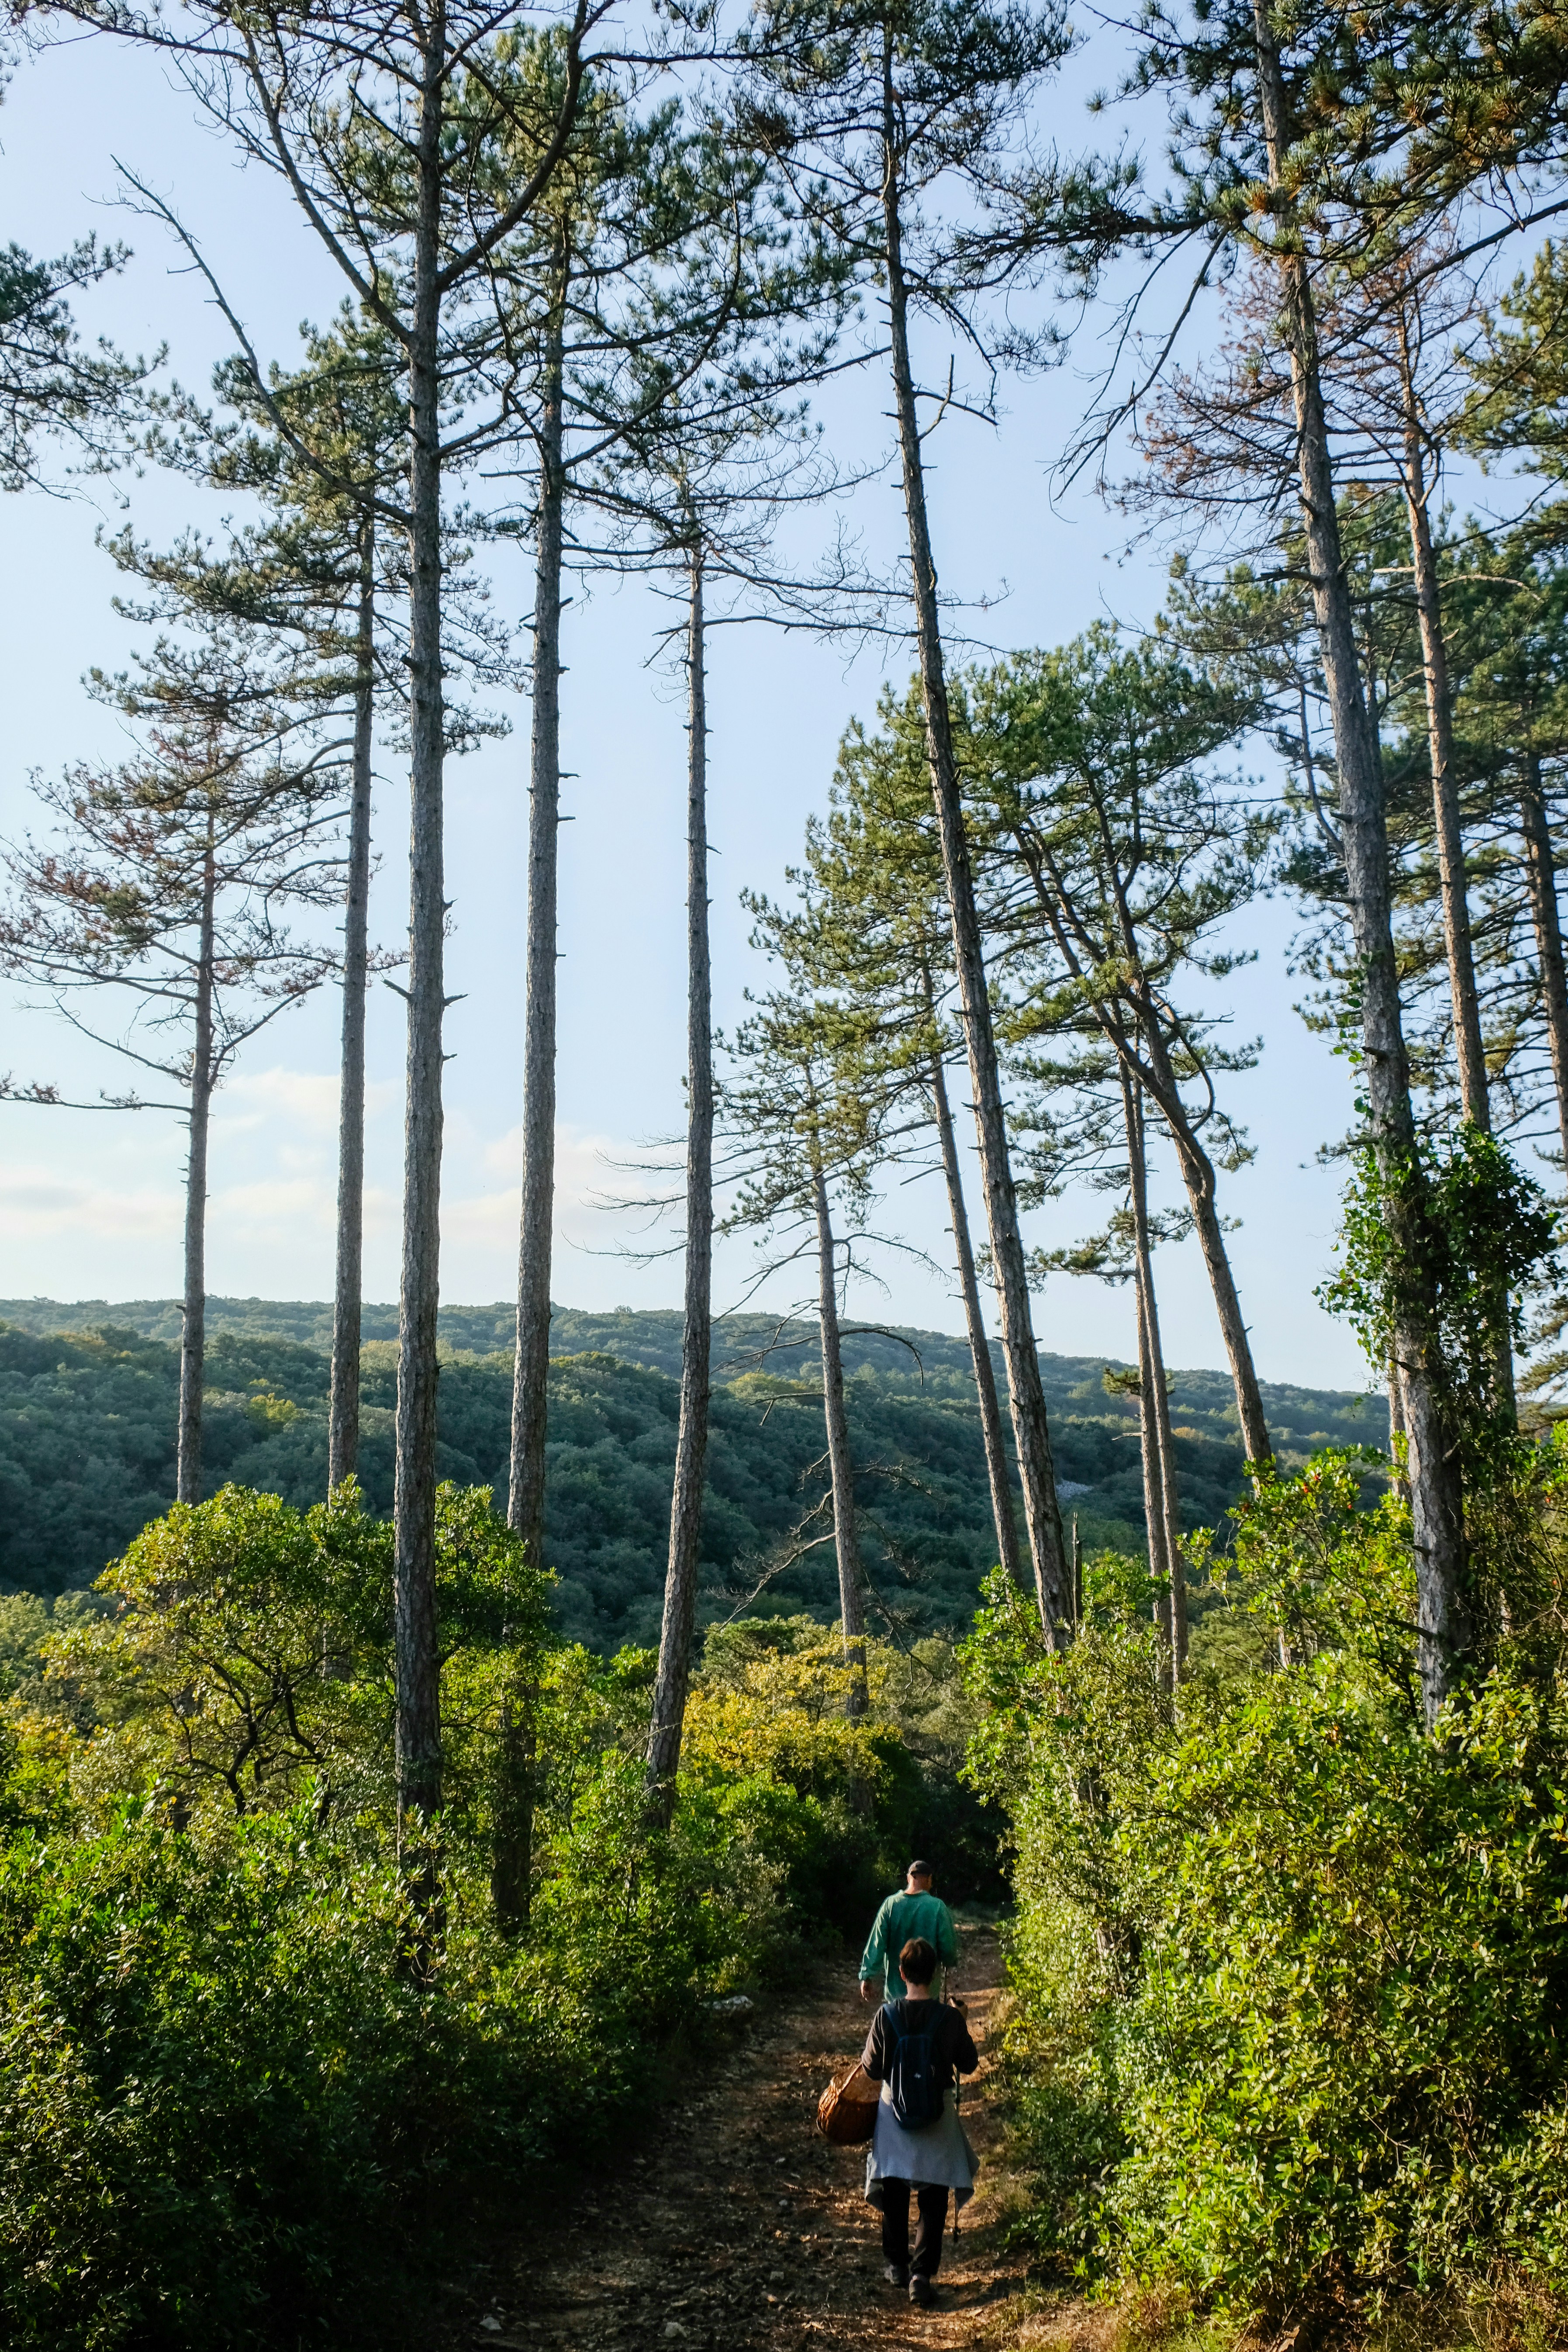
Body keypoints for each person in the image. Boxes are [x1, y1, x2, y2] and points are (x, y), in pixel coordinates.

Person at [859, 1935, 980, 2308]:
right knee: (933, 2195)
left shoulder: (886, 2015)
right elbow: (971, 2064)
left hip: (894, 2112)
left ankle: (896, 2264)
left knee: (894, 2186)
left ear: (901, 1973)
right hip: (938, 2114)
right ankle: (921, 2274)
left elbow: (872, 2068)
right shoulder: (949, 2017)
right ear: (935, 1976)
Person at [859, 1859, 960, 2004]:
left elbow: (876, 1944)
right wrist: (949, 1961)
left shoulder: (890, 1905)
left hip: (896, 1995)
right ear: (929, 1880)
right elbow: (948, 1950)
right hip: (928, 1995)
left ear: (908, 1878)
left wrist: (867, 1976)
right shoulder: (938, 1907)